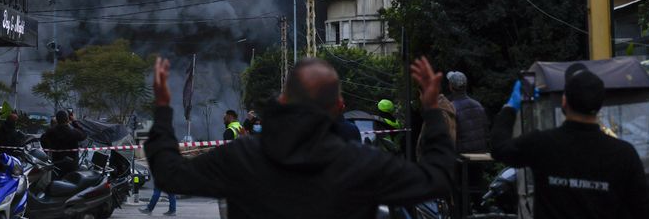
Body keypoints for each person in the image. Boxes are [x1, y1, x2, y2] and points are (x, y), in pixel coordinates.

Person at [144, 56, 454, 219]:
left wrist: (162, 110)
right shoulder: (360, 163)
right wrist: (432, 111)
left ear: (282, 101)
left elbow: (169, 173)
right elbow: (437, 178)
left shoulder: (242, 157)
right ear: (337, 107)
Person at [491, 63, 649, 219]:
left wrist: (510, 107)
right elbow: (643, 209)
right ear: (600, 105)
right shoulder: (624, 153)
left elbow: (499, 149)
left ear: (564, 101)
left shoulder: (542, 144)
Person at [446, 71, 488, 153]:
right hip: (481, 154)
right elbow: (486, 132)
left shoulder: (450, 108)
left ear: (451, 87)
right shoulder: (478, 105)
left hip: (460, 156)